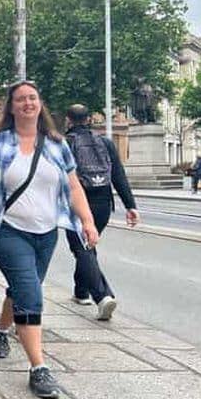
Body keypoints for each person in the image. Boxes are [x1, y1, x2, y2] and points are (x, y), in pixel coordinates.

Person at [0, 81, 99, 399]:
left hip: (46, 233)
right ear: (11, 107)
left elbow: (73, 188)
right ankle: (38, 368)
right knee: (31, 294)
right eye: (20, 99)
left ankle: (0, 329)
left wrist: (87, 220)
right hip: (8, 231)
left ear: (40, 104)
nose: (28, 103)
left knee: (22, 289)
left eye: (33, 98)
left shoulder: (56, 144)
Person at [64, 104, 138, 319]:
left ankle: (103, 296)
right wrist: (130, 205)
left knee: (83, 248)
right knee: (88, 245)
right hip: (103, 203)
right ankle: (81, 291)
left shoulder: (64, 143)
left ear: (68, 120)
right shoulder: (105, 142)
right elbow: (119, 175)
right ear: (88, 119)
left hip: (78, 202)